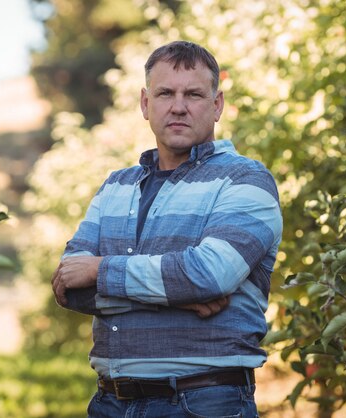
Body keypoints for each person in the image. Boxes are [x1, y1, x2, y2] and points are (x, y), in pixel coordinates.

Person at [51, 40, 283, 417]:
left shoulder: (246, 180)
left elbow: (209, 274)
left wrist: (99, 270)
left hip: (204, 402)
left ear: (217, 104)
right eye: (165, 93)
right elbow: (68, 287)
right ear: (145, 104)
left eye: (193, 94)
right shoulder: (116, 185)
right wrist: (179, 294)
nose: (178, 106)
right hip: (111, 402)